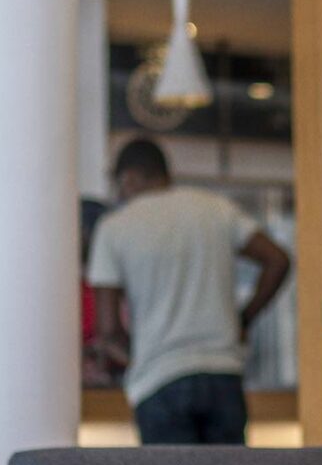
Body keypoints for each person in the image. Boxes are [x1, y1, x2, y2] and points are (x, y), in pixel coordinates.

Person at [86, 138, 291, 445]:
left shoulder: (115, 227)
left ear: (127, 178)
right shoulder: (215, 208)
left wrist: (143, 357)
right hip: (223, 376)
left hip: (159, 381)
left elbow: (109, 329)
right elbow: (278, 260)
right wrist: (243, 319)